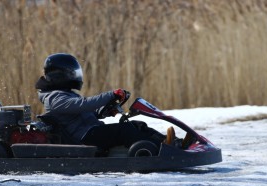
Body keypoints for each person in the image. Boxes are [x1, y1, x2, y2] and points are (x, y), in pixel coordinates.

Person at [35, 53, 180, 151]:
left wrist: (105, 110)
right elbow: (83, 105)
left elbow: (84, 111)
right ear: (61, 76)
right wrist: (110, 95)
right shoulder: (53, 98)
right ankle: (160, 151)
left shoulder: (64, 94)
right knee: (125, 130)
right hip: (85, 138)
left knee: (137, 125)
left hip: (91, 131)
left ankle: (170, 144)